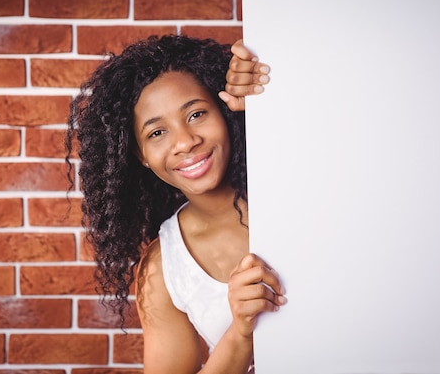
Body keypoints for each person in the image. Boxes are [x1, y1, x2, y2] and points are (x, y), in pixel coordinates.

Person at [66, 35, 286, 374]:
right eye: (157, 133)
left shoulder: (295, 180)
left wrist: (278, 79)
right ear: (139, 155)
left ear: (224, 108)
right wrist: (240, 334)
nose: (185, 142)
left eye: (196, 114)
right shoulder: (164, 268)